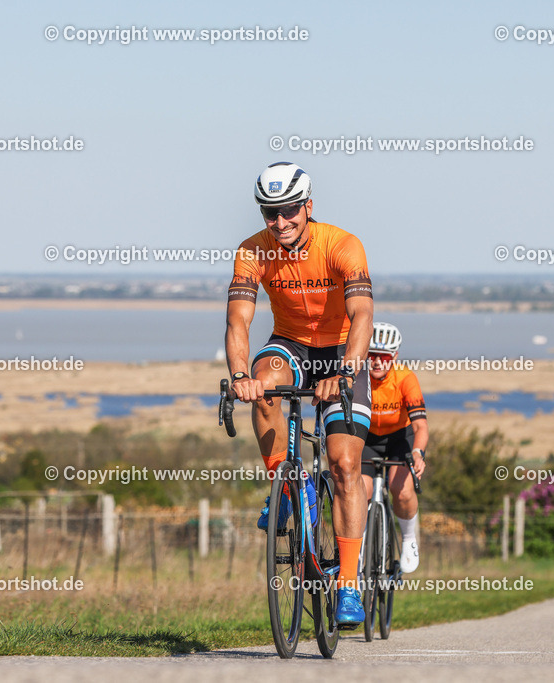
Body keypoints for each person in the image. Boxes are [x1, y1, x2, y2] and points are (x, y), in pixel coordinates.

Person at [225, 162, 374, 626]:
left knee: (346, 466)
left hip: (341, 349)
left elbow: (363, 314)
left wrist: (346, 372)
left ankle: (348, 585)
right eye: (270, 213)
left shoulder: (342, 245)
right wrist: (238, 377)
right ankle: (286, 485)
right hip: (290, 343)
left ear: (307, 206)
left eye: (289, 210)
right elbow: (238, 322)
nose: (280, 222)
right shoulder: (252, 252)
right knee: (262, 379)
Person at [362, 322, 427, 573]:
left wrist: (418, 454)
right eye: (372, 356)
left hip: (402, 438)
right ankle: (359, 546)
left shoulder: (405, 378)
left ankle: (409, 538)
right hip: (367, 440)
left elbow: (421, 426)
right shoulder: (358, 377)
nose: (377, 362)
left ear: (395, 357)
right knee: (361, 492)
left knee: (400, 489)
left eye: (384, 357)